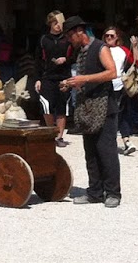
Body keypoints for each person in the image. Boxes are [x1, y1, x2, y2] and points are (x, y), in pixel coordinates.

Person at [61, 19, 121, 206]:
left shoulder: (100, 47)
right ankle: (94, 192)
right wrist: (71, 83)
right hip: (87, 108)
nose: (70, 40)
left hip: (104, 107)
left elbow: (112, 72)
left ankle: (113, 193)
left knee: (107, 152)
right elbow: (85, 79)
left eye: (71, 36)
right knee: (91, 153)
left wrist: (84, 79)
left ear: (80, 32)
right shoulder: (80, 52)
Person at [37, 10, 72, 147]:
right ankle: (50, 132)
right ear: (50, 23)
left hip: (63, 77)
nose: (58, 26)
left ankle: (59, 136)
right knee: (47, 107)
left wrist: (66, 59)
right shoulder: (43, 39)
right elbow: (38, 60)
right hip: (47, 77)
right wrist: (38, 78)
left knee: (62, 107)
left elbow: (75, 56)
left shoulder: (67, 39)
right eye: (55, 23)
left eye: (60, 23)